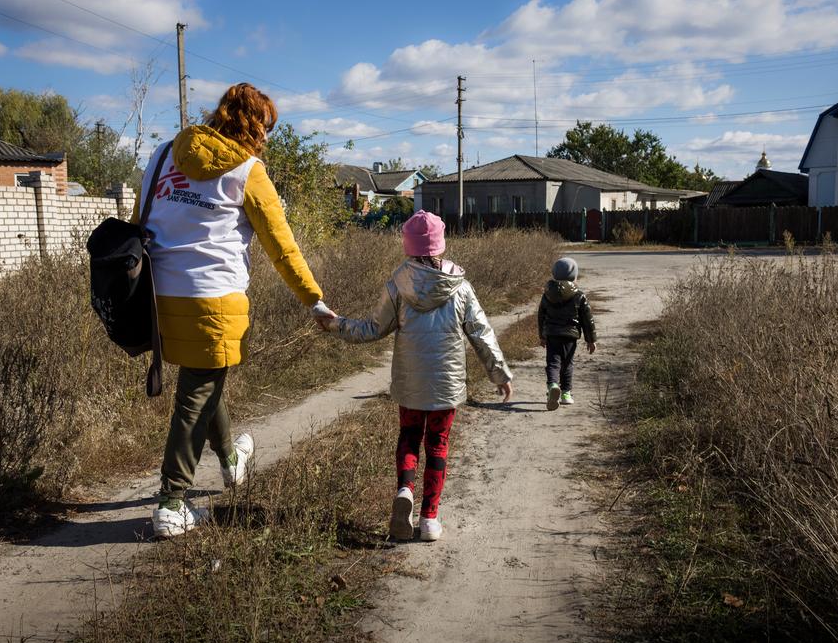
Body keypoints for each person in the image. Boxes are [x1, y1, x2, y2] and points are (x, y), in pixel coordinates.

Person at [136, 83, 336, 538]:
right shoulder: (248, 170)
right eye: (266, 128)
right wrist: (314, 301)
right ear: (255, 127)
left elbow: (138, 222)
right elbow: (281, 247)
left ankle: (230, 460)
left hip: (157, 299)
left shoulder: (164, 154)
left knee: (206, 377)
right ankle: (171, 503)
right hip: (214, 299)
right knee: (195, 394)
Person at [318, 210, 512, 542]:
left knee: (409, 436)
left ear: (409, 246)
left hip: (410, 382)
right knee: (437, 443)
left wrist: (335, 323)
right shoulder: (460, 288)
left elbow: (372, 329)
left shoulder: (397, 285)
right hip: (446, 384)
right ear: (441, 245)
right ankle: (429, 519)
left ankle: (405, 490)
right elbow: (481, 332)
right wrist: (499, 373)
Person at [537, 257, 597, 411]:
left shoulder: (547, 294)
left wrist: (542, 336)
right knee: (567, 363)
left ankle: (552, 386)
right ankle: (566, 394)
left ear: (554, 274)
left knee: (553, 362)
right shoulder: (579, 295)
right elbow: (587, 319)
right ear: (574, 276)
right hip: (570, 336)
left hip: (552, 334)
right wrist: (591, 340)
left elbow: (541, 316)